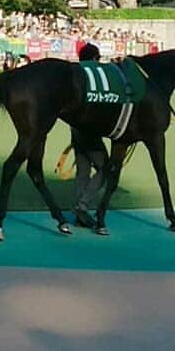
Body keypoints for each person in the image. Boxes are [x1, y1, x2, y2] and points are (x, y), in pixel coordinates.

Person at [72, 41, 109, 228]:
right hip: (89, 128)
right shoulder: (95, 75)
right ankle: (82, 205)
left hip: (76, 128)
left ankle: (80, 211)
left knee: (83, 171)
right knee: (106, 169)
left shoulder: (77, 74)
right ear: (95, 59)